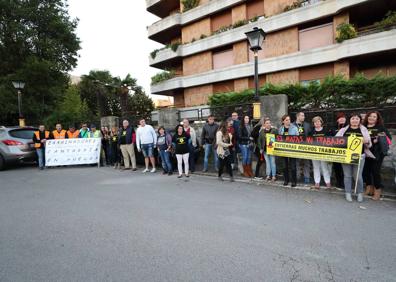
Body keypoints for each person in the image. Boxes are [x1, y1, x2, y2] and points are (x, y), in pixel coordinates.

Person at [336, 113, 374, 203]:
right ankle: (348, 193)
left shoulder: (363, 129)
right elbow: (335, 140)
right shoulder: (343, 129)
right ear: (349, 120)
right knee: (347, 175)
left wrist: (366, 141)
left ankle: (359, 193)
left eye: (357, 119)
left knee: (357, 176)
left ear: (360, 120)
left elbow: (370, 144)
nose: (355, 120)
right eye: (353, 118)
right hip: (346, 156)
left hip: (360, 156)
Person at [362, 111, 392, 200]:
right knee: (366, 171)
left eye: (374, 117)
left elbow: (389, 139)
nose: (371, 118)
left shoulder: (381, 128)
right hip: (365, 152)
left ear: (377, 119)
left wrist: (379, 139)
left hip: (377, 153)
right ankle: (369, 188)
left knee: (375, 171)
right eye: (370, 116)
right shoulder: (363, 127)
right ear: (367, 117)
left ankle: (377, 190)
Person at [309, 116, 331, 189]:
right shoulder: (311, 131)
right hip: (314, 152)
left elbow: (330, 141)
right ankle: (317, 182)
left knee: (325, 167)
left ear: (321, 122)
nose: (317, 123)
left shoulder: (326, 130)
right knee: (316, 167)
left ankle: (327, 182)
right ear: (313, 123)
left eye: (318, 121)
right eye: (315, 122)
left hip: (324, 152)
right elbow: (308, 141)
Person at [279, 115, 299, 187]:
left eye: (289, 120)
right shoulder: (281, 129)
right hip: (283, 150)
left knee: (293, 166)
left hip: (292, 150)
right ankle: (286, 180)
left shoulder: (294, 128)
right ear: (283, 121)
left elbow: (298, 138)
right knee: (284, 166)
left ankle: (294, 181)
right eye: (286, 120)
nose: (288, 121)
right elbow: (278, 139)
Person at [329, 112, 347, 189]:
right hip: (335, 151)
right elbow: (328, 137)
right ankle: (338, 182)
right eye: (340, 118)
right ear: (337, 120)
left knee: (344, 168)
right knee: (337, 167)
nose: (342, 119)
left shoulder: (348, 127)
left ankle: (344, 182)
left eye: (343, 117)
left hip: (345, 151)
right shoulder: (333, 128)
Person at [293, 112, 311, 184]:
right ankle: (297, 177)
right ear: (297, 116)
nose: (304, 117)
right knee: (296, 163)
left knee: (306, 163)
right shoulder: (292, 125)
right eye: (302, 115)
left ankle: (307, 178)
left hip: (305, 147)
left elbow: (310, 136)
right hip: (296, 147)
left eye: (304, 115)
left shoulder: (307, 125)